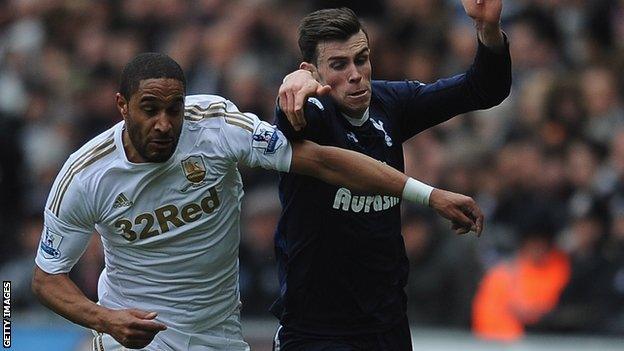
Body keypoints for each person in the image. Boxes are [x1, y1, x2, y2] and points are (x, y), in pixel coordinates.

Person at [31, 53, 483, 350]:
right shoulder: (86, 175)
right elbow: (45, 278)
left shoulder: (215, 128)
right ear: (121, 106)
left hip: (219, 333)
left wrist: (429, 193)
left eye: (175, 108)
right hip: (134, 334)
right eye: (150, 109)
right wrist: (104, 319)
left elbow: (322, 161)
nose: (166, 123)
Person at [271, 2, 511, 349]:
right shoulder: (315, 112)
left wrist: (488, 30)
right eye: (338, 65)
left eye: (362, 59)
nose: (355, 74)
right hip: (317, 329)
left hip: (387, 322)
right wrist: (293, 85)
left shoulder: (391, 102)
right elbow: (288, 119)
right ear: (314, 72)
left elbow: (483, 89)